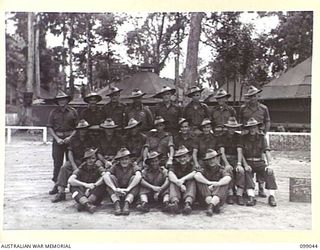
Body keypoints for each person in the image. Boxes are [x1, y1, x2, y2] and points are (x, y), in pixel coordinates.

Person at [52, 119, 93, 203]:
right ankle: (61, 192)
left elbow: (93, 152)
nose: (83, 131)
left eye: (84, 128)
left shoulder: (91, 138)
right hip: (76, 160)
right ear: (78, 129)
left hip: (87, 161)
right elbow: (70, 153)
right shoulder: (74, 138)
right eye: (81, 129)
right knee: (64, 167)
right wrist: (74, 166)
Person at [47, 90, 78, 195]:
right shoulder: (53, 112)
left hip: (70, 140)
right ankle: (57, 185)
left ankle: (72, 185)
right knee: (57, 163)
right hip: (58, 141)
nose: (62, 101)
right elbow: (50, 127)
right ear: (57, 101)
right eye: (59, 100)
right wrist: (57, 138)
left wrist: (71, 137)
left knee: (70, 163)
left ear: (67, 100)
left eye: (63, 99)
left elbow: (77, 127)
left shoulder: (73, 111)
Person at [241, 118, 278, 207]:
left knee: (269, 172)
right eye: (250, 127)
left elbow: (267, 151)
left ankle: (272, 196)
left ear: (257, 128)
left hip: (259, 162)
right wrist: (245, 164)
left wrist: (270, 164)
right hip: (248, 161)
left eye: (254, 127)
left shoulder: (262, 138)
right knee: (247, 172)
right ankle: (251, 196)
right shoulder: (243, 138)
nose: (252, 129)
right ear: (248, 129)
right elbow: (241, 153)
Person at [103, 148, 142, 215]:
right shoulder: (115, 166)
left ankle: (126, 204)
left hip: (129, 192)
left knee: (134, 178)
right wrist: (114, 189)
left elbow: (139, 176)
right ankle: (116, 204)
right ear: (119, 160)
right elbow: (105, 176)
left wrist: (128, 189)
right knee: (110, 178)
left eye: (126, 159)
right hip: (117, 192)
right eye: (122, 159)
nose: (124, 161)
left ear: (130, 160)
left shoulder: (133, 166)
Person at [68, 148, 107, 214]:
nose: (90, 160)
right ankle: (87, 205)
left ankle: (84, 204)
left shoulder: (98, 167)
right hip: (83, 193)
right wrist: (85, 185)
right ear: (85, 160)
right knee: (72, 186)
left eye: (93, 158)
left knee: (102, 184)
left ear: (95, 159)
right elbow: (70, 180)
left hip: (94, 193)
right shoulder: (82, 167)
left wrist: (95, 185)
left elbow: (105, 176)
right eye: (88, 158)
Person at [194, 149, 231, 216]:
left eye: (213, 158)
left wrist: (217, 184)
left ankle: (211, 206)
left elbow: (228, 178)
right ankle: (214, 205)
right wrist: (208, 182)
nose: (211, 161)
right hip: (205, 197)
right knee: (200, 181)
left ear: (217, 158)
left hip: (218, 196)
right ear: (207, 161)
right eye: (209, 159)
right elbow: (197, 175)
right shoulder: (204, 168)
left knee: (224, 183)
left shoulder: (221, 168)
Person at [218, 117, 244, 205]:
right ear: (227, 128)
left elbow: (239, 150)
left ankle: (239, 194)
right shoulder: (222, 136)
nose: (232, 130)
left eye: (233, 128)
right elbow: (222, 152)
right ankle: (230, 194)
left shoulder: (239, 136)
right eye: (230, 128)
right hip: (225, 158)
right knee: (228, 171)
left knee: (241, 171)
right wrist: (226, 164)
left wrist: (239, 163)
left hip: (235, 158)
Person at [168, 146, 196, 215]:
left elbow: (194, 173)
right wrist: (179, 183)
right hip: (178, 188)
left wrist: (183, 180)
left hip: (188, 189)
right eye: (180, 157)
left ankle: (188, 204)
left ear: (188, 157)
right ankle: (175, 203)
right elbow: (170, 174)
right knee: (172, 182)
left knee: (192, 181)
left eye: (184, 157)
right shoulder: (175, 165)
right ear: (177, 159)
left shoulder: (191, 165)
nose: (182, 159)